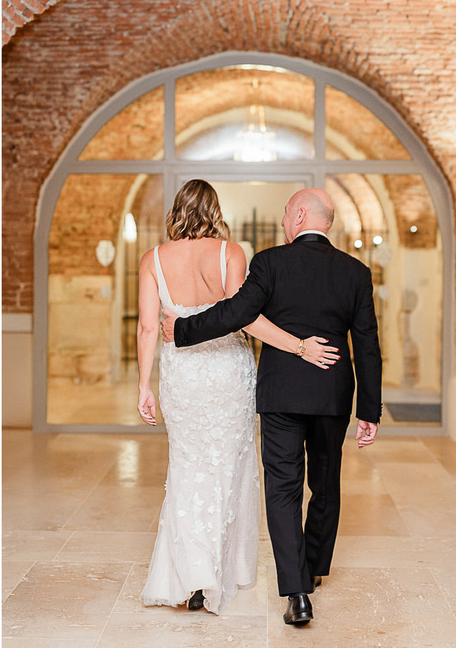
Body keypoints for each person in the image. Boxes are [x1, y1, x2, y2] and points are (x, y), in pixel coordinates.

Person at [161, 186, 382, 626]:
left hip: (282, 393)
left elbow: (236, 311)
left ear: (300, 216)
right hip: (332, 395)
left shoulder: (270, 262)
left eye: (286, 213)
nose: (283, 221)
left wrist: (183, 330)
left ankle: (297, 592)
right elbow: (368, 346)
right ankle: (316, 566)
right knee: (326, 482)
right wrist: (369, 411)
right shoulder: (355, 271)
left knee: (282, 488)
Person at [137, 180, 336, 615]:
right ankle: (218, 573)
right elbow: (243, 318)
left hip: (182, 376)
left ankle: (191, 576)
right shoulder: (231, 253)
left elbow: (149, 327)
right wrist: (299, 345)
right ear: (214, 210)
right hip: (228, 373)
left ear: (177, 210)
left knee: (187, 470)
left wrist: (143, 386)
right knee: (229, 470)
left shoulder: (152, 259)